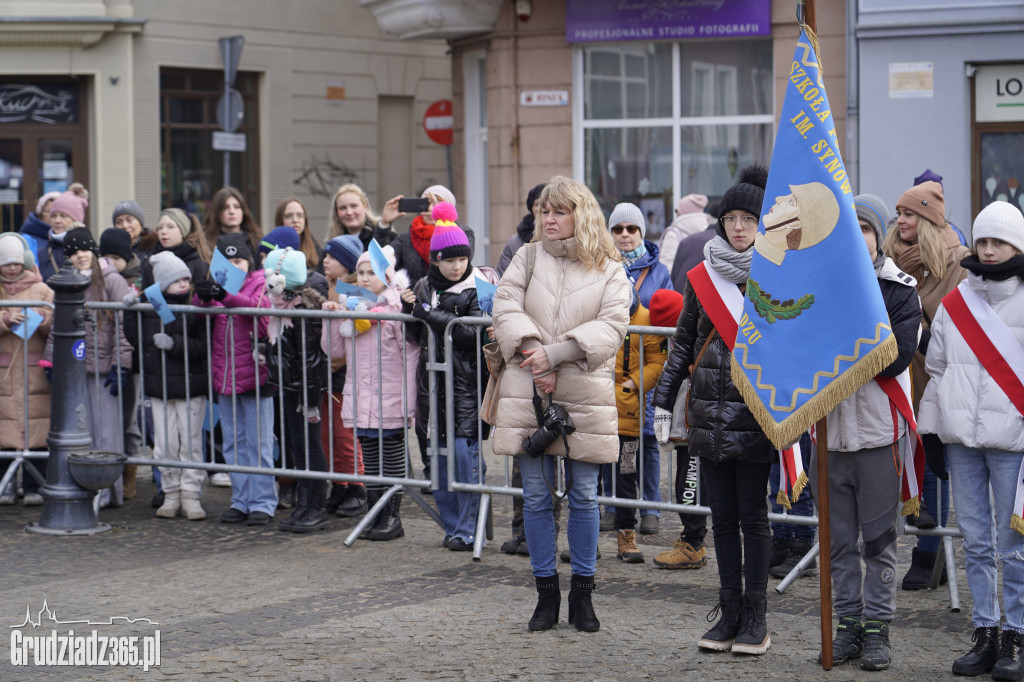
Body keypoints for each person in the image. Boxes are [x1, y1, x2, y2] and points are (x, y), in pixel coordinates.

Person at [491, 175, 631, 633]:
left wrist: (555, 354)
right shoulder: (527, 257)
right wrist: (536, 353)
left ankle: (583, 596)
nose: (548, 219)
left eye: (559, 211)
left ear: (581, 213)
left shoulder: (610, 265)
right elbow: (505, 306)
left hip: (584, 392)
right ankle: (545, 593)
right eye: (544, 211)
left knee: (586, 497)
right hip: (528, 388)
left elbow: (612, 326)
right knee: (534, 496)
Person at [653, 165, 774, 655]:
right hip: (708, 413)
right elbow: (683, 345)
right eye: (731, 218)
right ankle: (728, 612)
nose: (739, 226)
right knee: (721, 517)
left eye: (749, 218)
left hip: (756, 414)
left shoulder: (777, 274)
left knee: (753, 517)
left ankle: (756, 619)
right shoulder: (702, 276)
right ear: (720, 222)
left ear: (762, 223)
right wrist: (663, 400)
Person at [810, 192, 922, 671]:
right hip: (829, 439)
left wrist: (841, 341)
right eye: (847, 230)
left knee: (878, 542)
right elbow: (806, 355)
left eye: (866, 229)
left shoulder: (900, 289)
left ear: (879, 237)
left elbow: (893, 356)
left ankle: (878, 629)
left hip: (878, 436)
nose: (857, 238)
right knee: (837, 545)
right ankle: (849, 626)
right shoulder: (816, 290)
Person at [918, 200, 1024, 680]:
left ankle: (1016, 636)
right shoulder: (955, 303)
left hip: (1014, 444)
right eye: (982, 241)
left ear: (1016, 245)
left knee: (1014, 545)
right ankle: (985, 632)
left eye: (998, 241)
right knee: (977, 543)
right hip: (962, 441)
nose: (988, 250)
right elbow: (937, 374)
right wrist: (932, 434)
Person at [882, 180, 970, 590]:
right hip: (897, 372)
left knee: (932, 463)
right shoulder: (888, 259)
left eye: (910, 214)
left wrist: (914, 324)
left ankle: (930, 554)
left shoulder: (956, 262)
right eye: (899, 213)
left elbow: (960, 324)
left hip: (937, 376)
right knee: (898, 458)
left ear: (929, 220)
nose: (901, 220)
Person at [403, 202, 489, 551]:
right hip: (432, 388)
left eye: (462, 259)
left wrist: (428, 314)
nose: (456, 266)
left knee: (465, 459)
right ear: (435, 259)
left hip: (466, 389)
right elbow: (415, 335)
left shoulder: (476, 288)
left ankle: (470, 528)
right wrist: (408, 311)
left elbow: (470, 334)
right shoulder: (424, 286)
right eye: (449, 260)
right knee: (438, 463)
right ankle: (452, 526)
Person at [322, 243, 418, 541]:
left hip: (390, 398)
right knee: (371, 458)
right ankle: (375, 515)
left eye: (371, 272)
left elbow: (410, 353)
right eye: (360, 272)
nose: (363, 278)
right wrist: (332, 318)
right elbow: (332, 349)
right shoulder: (355, 312)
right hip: (360, 397)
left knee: (391, 457)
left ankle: (391, 517)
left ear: (387, 277)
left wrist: (409, 401)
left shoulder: (394, 312)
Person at [45, 227, 133, 508]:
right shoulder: (66, 281)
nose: (79, 256)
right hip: (75, 369)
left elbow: (123, 327)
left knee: (107, 433)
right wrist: (49, 359)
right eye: (72, 252)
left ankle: (110, 491)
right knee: (81, 434)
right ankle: (86, 488)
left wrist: (122, 364)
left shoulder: (112, 281)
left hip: (105, 368)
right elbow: (58, 325)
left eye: (84, 250)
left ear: (94, 251)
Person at [194, 234, 276, 525]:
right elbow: (203, 312)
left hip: (256, 375)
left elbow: (257, 311)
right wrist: (202, 296)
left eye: (239, 260)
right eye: (227, 261)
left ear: (249, 262)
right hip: (226, 375)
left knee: (259, 443)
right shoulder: (221, 283)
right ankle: (240, 500)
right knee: (233, 443)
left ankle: (263, 503)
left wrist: (222, 295)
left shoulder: (261, 281)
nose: (233, 266)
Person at [125, 252, 209, 520]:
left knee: (191, 444)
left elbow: (202, 346)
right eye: (177, 280)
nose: (184, 283)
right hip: (159, 385)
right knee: (164, 444)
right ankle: (171, 493)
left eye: (186, 277)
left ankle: (191, 494)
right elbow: (135, 337)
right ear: (162, 284)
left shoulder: (196, 305)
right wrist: (129, 310)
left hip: (190, 386)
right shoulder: (152, 305)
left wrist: (175, 345)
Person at [606, 202, 673, 535]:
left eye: (631, 229)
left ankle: (650, 508)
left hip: (646, 370)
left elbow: (668, 317)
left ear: (641, 233)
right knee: (610, 442)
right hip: (611, 373)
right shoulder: (601, 266)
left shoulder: (659, 271)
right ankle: (612, 507)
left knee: (647, 441)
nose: (625, 235)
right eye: (618, 229)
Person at [263, 247, 330, 533]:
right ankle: (304, 504)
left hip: (305, 390)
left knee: (309, 444)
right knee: (296, 443)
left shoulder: (303, 310)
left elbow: (311, 360)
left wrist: (311, 401)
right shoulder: (279, 305)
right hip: (289, 386)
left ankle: (315, 505)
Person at [646, 287, 709, 570]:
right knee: (687, 476)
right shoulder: (683, 338)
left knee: (691, 479)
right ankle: (692, 540)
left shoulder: (690, 337)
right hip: (689, 420)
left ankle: (694, 543)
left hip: (696, 420)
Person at [609, 287, 666, 563]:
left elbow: (658, 360)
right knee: (587, 478)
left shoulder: (646, 318)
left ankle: (626, 535)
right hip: (593, 406)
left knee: (626, 475)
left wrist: (633, 384)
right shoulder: (595, 309)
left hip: (628, 410)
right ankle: (583, 539)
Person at [0, 234, 54, 506]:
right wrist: (6, 319)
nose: (11, 268)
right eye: (5, 263)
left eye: (15, 263)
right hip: (4, 373)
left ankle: (35, 485)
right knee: (4, 432)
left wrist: (42, 318)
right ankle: (6, 485)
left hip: (34, 371)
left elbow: (54, 320)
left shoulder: (42, 289)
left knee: (36, 427)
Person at [319, 234, 366, 517]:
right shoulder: (325, 286)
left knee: (346, 435)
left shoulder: (357, 291)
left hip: (346, 373)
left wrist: (343, 359)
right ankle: (338, 483)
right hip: (327, 373)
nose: (325, 261)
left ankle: (356, 486)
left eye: (332, 257)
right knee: (329, 435)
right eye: (325, 255)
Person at [99, 226, 144, 500]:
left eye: (117, 257)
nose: (112, 263)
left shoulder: (138, 279)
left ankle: (130, 469)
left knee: (129, 420)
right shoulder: (99, 280)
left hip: (133, 359)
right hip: (106, 357)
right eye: (107, 257)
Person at [37, 184, 89, 281]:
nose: (57, 220)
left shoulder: (86, 250)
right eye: (53, 216)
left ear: (75, 220)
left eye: (63, 216)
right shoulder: (43, 252)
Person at [326, 183, 396, 252]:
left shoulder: (386, 236)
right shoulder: (335, 243)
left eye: (354, 206)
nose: (349, 212)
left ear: (365, 207)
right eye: (343, 208)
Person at [497, 182, 546, 276]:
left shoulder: (565, 239)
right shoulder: (515, 243)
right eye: (537, 204)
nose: (541, 209)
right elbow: (503, 279)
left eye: (546, 204)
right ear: (531, 208)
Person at [669, 202, 719, 293]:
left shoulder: (687, 241)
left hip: (681, 298)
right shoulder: (726, 243)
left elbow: (673, 276)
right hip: (708, 302)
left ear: (707, 219)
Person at [202, 187, 264, 256]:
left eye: (236, 207)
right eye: (225, 207)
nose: (232, 211)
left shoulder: (256, 241)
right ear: (216, 212)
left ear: (243, 211)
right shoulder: (204, 242)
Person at [658, 194, 712, 269]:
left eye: (677, 211)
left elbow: (666, 266)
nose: (676, 213)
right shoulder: (709, 230)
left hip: (680, 279)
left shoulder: (673, 233)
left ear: (682, 212)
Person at [18, 191, 61, 281]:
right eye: (51, 212)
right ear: (41, 213)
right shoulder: (26, 239)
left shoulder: (69, 238)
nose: (57, 219)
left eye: (61, 214)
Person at [274, 196, 322, 273]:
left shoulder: (317, 251)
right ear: (280, 220)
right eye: (288, 216)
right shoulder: (272, 248)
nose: (295, 220)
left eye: (300, 215)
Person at [112, 199, 158, 266]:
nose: (125, 226)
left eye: (129, 220)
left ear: (140, 224)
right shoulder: (111, 250)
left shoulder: (155, 247)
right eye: (119, 222)